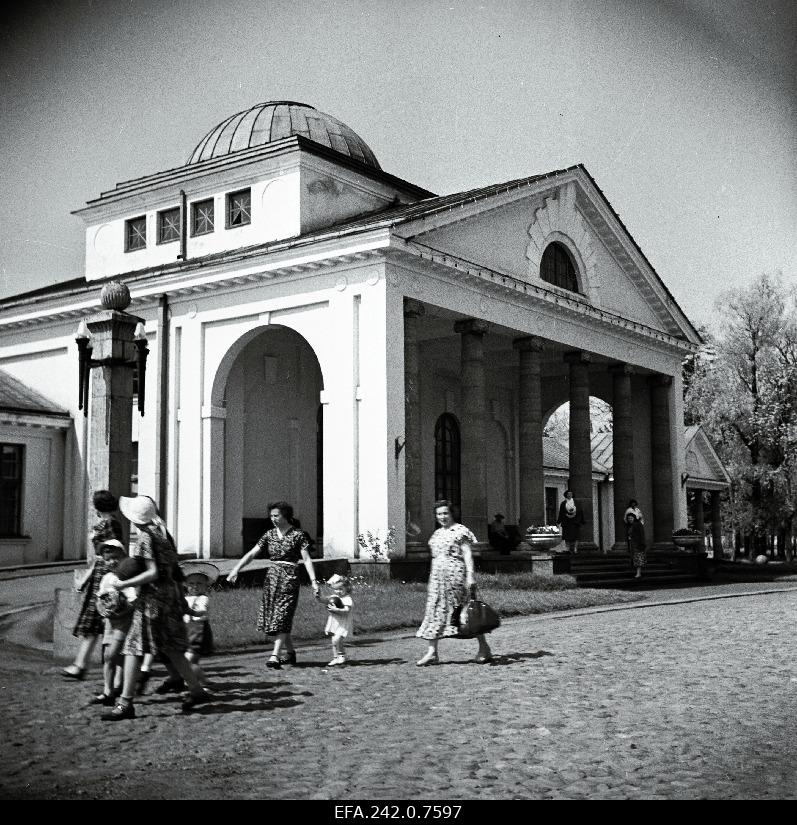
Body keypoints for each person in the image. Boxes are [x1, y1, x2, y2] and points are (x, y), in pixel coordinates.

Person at [101, 495, 209, 720]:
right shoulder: (161, 536)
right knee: (170, 648)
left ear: (134, 519)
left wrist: (124, 583)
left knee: (133, 647)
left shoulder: (145, 538)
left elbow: (152, 573)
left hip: (152, 601)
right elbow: (170, 571)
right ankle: (196, 690)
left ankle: (125, 703)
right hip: (168, 598)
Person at [226, 501, 320, 669]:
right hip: (272, 578)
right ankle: (290, 653)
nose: (273, 519)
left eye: (276, 515)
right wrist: (236, 569)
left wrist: (314, 582)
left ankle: (275, 655)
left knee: (282, 615)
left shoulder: (298, 535)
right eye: (271, 516)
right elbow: (253, 553)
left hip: (289, 578)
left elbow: (306, 558)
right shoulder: (269, 535)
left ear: (286, 516)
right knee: (276, 617)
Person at [416, 499, 492, 666]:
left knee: (465, 612)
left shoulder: (460, 531)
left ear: (451, 514)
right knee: (435, 610)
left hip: (455, 577)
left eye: (445, 513)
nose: (442, 517)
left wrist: (470, 576)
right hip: (437, 578)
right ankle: (432, 652)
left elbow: (467, 554)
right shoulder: (436, 534)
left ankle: (484, 647)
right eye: (438, 514)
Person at [62, 490, 124, 680]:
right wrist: (86, 578)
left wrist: (90, 578)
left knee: (100, 621)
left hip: (104, 576)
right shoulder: (107, 523)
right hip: (99, 575)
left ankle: (84, 665)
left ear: (98, 507)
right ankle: (81, 665)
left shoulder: (111, 524)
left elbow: (109, 554)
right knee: (95, 623)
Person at [92, 541, 141, 706]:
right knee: (109, 657)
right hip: (110, 622)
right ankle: (108, 691)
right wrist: (102, 608)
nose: (111, 562)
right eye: (107, 559)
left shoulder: (126, 578)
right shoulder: (106, 578)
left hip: (123, 621)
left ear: (123, 557)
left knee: (112, 655)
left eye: (115, 558)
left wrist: (121, 609)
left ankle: (119, 686)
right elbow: (99, 597)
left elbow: (133, 601)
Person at [180, 561, 218, 665]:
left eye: (199, 583)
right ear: (186, 585)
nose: (195, 586)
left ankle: (186, 673)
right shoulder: (185, 598)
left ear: (206, 586)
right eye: (191, 584)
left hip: (198, 629)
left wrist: (193, 612)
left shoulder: (203, 598)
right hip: (186, 627)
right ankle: (200, 678)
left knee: (192, 652)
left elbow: (202, 611)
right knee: (192, 657)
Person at [323, 574, 354, 667]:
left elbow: (346, 611)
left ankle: (342, 655)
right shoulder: (334, 597)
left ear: (347, 588)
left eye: (341, 589)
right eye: (336, 589)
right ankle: (336, 657)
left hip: (343, 623)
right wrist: (318, 596)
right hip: (334, 622)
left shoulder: (348, 599)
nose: (338, 591)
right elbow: (324, 600)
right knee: (334, 641)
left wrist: (336, 610)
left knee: (337, 639)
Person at [556, 490, 585, 554]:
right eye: (568, 494)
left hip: (575, 522)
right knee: (567, 536)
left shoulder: (577, 502)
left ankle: (575, 548)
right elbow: (561, 513)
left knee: (576, 536)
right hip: (566, 522)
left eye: (571, 494)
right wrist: (558, 521)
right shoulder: (563, 503)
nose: (569, 495)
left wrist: (575, 516)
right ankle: (568, 548)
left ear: (572, 495)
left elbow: (580, 511)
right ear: (566, 495)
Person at [625, 509, 647, 579]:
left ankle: (638, 573)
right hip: (633, 544)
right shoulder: (631, 526)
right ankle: (638, 572)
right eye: (628, 518)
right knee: (636, 558)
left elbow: (641, 534)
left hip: (638, 544)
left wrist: (642, 543)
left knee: (638, 559)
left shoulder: (637, 524)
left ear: (634, 518)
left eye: (631, 518)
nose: (630, 519)